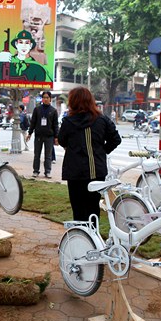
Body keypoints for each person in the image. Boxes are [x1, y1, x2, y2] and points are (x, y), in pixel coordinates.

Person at [58, 87, 122, 221]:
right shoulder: (101, 119)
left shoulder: (68, 122)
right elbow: (115, 139)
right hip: (96, 171)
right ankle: (94, 237)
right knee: (93, 208)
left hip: (75, 172)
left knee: (78, 209)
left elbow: (62, 140)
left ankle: (81, 238)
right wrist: (102, 151)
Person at [26, 91, 58, 178]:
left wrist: (56, 137)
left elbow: (55, 125)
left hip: (49, 136)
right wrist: (30, 133)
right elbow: (33, 122)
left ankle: (47, 172)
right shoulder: (37, 109)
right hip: (38, 136)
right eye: (44, 97)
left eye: (47, 97)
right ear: (42, 99)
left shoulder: (53, 111)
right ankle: (36, 171)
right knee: (37, 155)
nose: (45, 99)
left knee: (48, 156)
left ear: (50, 99)